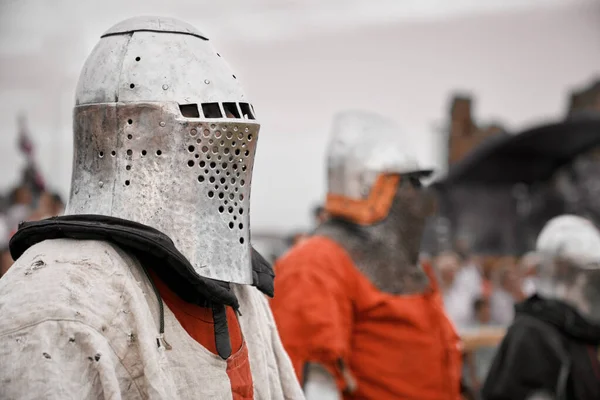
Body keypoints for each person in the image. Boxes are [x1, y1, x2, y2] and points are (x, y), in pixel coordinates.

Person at [0, 16, 303, 400]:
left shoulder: (242, 291)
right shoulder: (56, 301)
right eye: (204, 117)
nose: (226, 152)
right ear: (132, 134)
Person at [270, 110, 462, 399]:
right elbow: (308, 386)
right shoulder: (314, 265)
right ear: (375, 188)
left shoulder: (403, 266)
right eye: (410, 183)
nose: (422, 198)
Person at [482, 215, 600, 400]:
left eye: (593, 278)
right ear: (558, 270)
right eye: (581, 275)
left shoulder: (584, 331)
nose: (587, 286)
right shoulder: (532, 333)